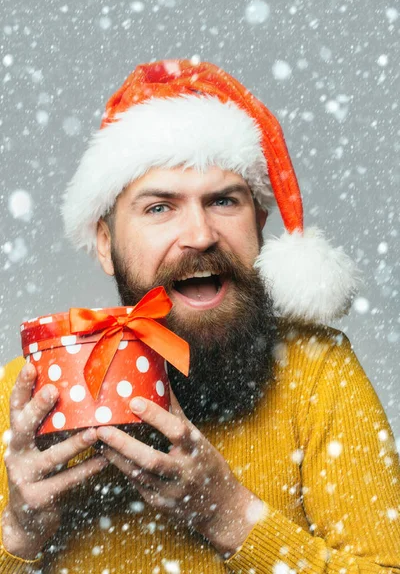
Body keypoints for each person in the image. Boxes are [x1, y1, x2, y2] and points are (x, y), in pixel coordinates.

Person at [1, 59, 399, 573]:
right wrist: (18, 534)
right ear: (105, 243)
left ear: (258, 224)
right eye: (160, 208)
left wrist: (230, 514)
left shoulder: (317, 373)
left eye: (223, 201)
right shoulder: (31, 394)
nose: (201, 234)